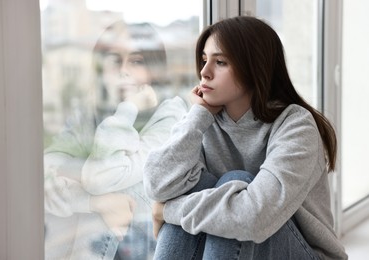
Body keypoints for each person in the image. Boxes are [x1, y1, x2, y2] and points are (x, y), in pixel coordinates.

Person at [143, 16, 348, 259]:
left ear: (254, 68)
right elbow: (157, 186)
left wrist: (166, 211)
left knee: (236, 183)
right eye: (204, 60)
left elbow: (252, 218)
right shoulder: (204, 121)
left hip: (305, 254)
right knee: (190, 185)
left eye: (220, 62)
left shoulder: (295, 124)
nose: (204, 72)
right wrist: (197, 117)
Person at [44, 20, 188, 259]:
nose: (123, 70)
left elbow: (100, 178)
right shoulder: (88, 114)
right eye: (114, 60)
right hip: (99, 242)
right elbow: (44, 175)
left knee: (129, 189)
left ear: (154, 67)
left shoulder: (170, 118)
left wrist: (129, 108)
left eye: (136, 61)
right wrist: (97, 203)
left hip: (143, 245)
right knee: (64, 211)